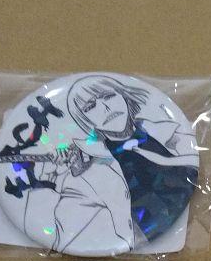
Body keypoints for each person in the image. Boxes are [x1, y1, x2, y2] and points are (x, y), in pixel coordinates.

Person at [66, 75, 199, 244]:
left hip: (190, 223)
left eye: (108, 96)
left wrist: (167, 161)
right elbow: (71, 226)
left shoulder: (167, 132)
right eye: (90, 106)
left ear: (124, 96)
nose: (106, 107)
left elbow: (193, 165)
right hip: (143, 239)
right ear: (84, 120)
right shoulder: (90, 166)